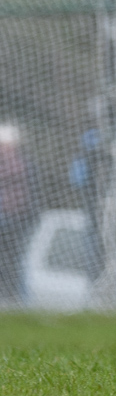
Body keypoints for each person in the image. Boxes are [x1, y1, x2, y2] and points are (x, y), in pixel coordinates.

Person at [0, 122, 32, 302]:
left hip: (14, 219)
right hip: (9, 217)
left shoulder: (18, 163)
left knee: (12, 261)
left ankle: (18, 299)